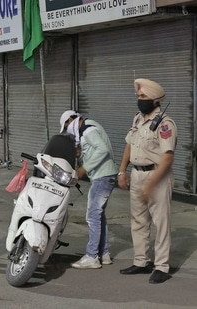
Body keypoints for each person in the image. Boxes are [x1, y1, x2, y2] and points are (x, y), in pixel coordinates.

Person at [118, 78, 177, 284]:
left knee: (161, 223)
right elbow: (129, 145)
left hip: (157, 176)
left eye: (142, 96)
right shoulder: (137, 119)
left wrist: (151, 185)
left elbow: (168, 157)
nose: (139, 99)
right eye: (138, 96)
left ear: (154, 99)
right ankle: (141, 262)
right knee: (138, 221)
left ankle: (161, 266)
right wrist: (122, 171)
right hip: (137, 175)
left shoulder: (165, 123)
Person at [60, 110, 118, 269]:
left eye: (66, 125)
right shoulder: (87, 128)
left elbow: (102, 149)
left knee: (92, 216)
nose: (67, 129)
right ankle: (103, 254)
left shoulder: (87, 128)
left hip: (102, 176)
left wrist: (83, 168)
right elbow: (94, 149)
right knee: (99, 216)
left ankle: (92, 256)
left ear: (71, 119)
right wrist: (80, 153)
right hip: (106, 175)